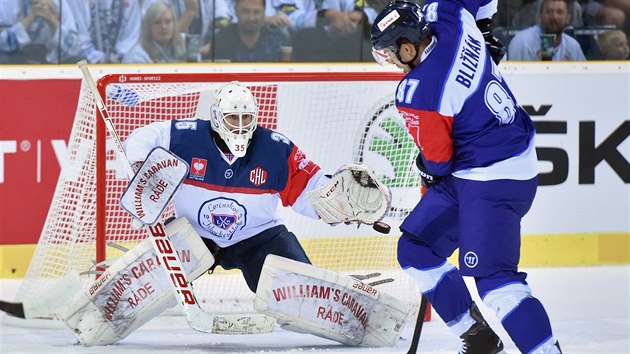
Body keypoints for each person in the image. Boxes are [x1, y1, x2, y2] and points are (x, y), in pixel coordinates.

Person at [370, 1, 562, 353]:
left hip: (493, 181)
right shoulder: (448, 13)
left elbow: (439, 162)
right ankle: (478, 337)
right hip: (490, 163)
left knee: (496, 282)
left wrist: (425, 168)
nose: (391, 62)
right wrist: (484, 27)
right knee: (415, 248)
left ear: (408, 47)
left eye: (390, 53)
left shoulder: (420, 92)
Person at [123, 81, 325, 294]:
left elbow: (309, 185)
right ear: (218, 117)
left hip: (258, 239)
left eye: (245, 117)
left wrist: (334, 197)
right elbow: (141, 137)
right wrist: (141, 166)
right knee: (140, 290)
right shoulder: (187, 137)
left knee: (303, 295)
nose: (240, 124)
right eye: (232, 118)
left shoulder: (275, 148)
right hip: (193, 235)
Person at [141, 0, 231, 59]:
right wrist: (190, 12)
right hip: (162, 56)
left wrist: (195, 52)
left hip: (203, 56)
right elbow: (161, 34)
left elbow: (221, 35)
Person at [0, 0, 82, 64]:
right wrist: (31, 17)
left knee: (78, 60)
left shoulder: (59, 4)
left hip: (51, 60)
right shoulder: (8, 4)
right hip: (16, 59)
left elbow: (73, 48)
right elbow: (3, 44)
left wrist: (51, 18)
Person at [209, 0, 292, 61]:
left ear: (264, 13)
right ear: (235, 12)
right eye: (245, 12)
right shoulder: (221, 40)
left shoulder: (278, 39)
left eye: (256, 12)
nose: (251, 18)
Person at [508, 0, 586, 61]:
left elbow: (584, 78)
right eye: (548, 12)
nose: (554, 17)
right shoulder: (522, 42)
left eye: (559, 12)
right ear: (540, 16)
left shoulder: (573, 46)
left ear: (568, 18)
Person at [67, 0, 141, 63]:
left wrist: (117, 58)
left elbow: (132, 35)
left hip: (122, 67)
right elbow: (78, 33)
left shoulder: (131, 2)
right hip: (83, 64)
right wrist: (96, 58)